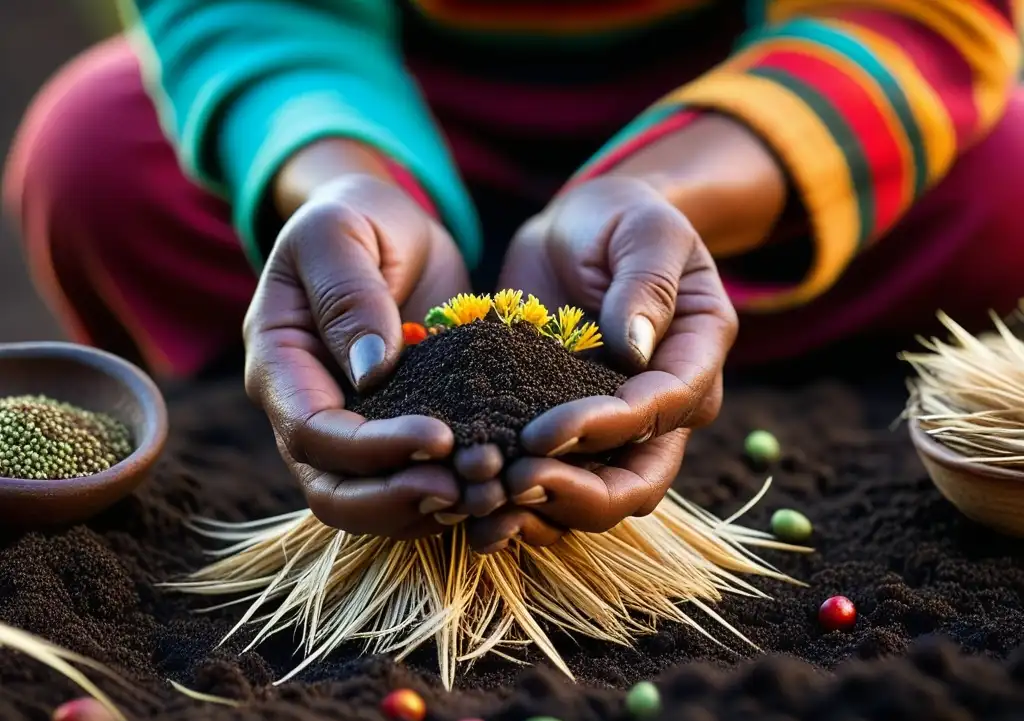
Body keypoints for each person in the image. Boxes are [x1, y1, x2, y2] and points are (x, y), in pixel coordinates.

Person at [4, 0, 1023, 553]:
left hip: (725, 138)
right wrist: (347, 176)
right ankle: (353, 268)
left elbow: (917, 15)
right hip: (381, 104)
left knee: (1004, 177)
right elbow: (247, 14)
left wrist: (665, 185)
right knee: (91, 155)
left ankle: (676, 278)